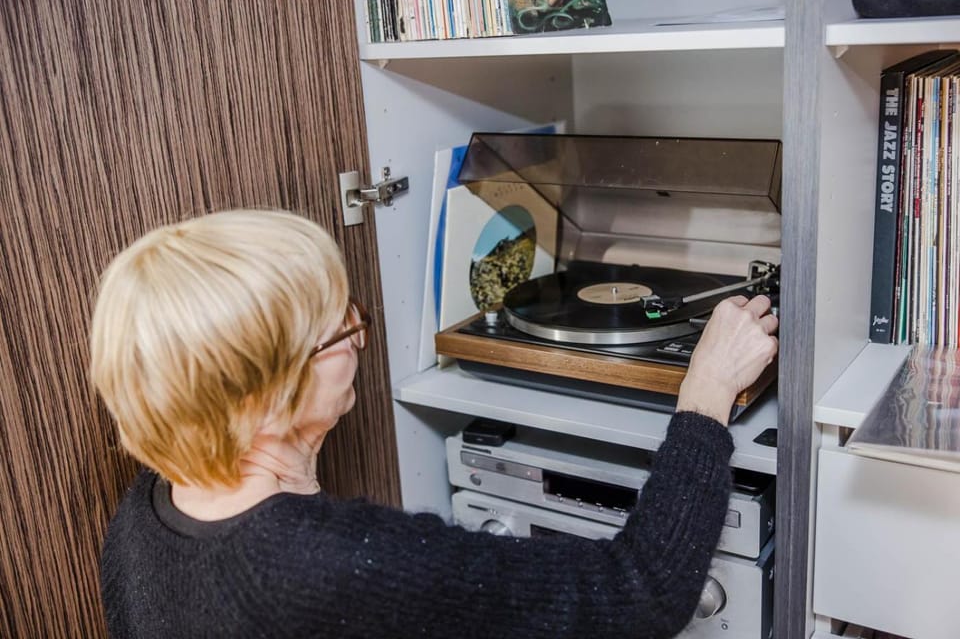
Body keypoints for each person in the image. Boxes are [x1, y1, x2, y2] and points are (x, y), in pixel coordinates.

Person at [90, 208, 779, 639]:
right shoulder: (322, 561)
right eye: (342, 328)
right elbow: (642, 595)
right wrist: (707, 390)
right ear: (268, 393)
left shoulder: (141, 516)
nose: (360, 333)